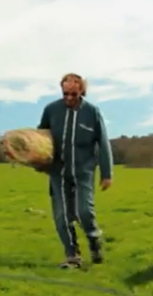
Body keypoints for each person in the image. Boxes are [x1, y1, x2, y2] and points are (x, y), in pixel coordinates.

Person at [37, 73, 114, 269]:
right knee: (62, 216)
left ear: (82, 92)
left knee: (84, 212)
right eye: (65, 94)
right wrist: (36, 159)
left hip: (83, 170)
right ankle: (72, 255)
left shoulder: (92, 112)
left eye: (73, 94)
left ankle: (94, 240)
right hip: (58, 172)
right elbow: (40, 138)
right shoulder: (51, 110)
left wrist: (107, 174)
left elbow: (103, 143)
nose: (69, 98)